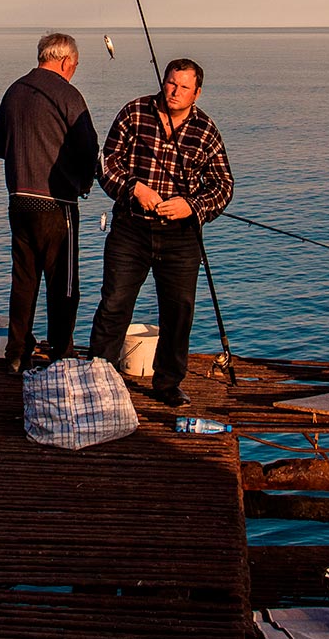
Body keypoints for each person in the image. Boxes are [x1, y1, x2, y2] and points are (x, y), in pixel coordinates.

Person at [87, 58, 234, 407]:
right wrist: (135, 188)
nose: (175, 91)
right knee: (114, 304)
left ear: (197, 93)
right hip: (131, 228)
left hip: (181, 235)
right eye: (170, 83)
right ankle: (99, 376)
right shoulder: (135, 113)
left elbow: (223, 185)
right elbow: (106, 166)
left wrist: (191, 206)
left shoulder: (206, 129)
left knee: (179, 311)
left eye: (184, 87)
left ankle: (167, 382)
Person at [0, 32, 99, 376]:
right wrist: (83, 182)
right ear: (66, 61)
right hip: (57, 203)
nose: (74, 71)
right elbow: (88, 147)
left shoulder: (14, 91)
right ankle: (61, 353)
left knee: (24, 279)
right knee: (63, 283)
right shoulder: (68, 95)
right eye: (75, 65)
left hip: (18, 199)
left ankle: (16, 352)